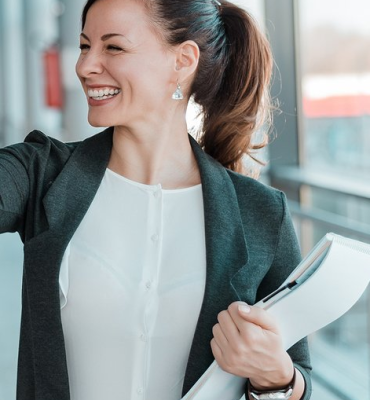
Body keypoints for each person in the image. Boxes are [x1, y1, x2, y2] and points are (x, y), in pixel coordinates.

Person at [0, 0, 312, 399]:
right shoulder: (42, 173)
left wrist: (277, 377)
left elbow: (296, 374)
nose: (85, 66)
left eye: (113, 47)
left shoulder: (261, 214)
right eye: (84, 46)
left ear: (182, 61)